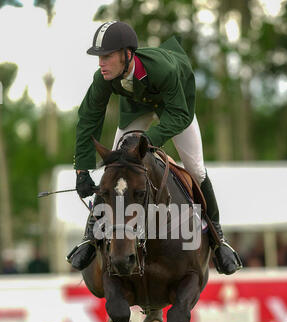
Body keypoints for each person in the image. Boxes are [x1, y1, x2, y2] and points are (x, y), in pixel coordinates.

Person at [67, 20, 242, 275]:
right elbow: (88, 119)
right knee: (116, 169)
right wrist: (82, 171)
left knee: (196, 169)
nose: (100, 63)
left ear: (127, 55)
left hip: (176, 107)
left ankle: (218, 241)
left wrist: (147, 141)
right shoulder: (103, 77)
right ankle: (89, 237)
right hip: (138, 106)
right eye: (99, 57)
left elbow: (180, 114)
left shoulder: (164, 69)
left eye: (106, 56)